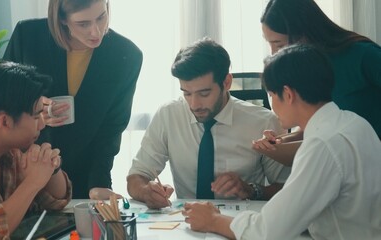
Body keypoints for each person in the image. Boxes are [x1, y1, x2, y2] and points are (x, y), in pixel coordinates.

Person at [183, 44, 381, 240]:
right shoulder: (354, 123)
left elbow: (267, 232)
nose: (271, 104)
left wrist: (214, 220)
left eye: (270, 95)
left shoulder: (321, 145)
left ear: (287, 94)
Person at [127, 38, 290, 209]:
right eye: (187, 93)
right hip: (187, 223)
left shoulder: (263, 122)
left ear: (226, 83)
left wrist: (250, 190)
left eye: (204, 93)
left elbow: (288, 189)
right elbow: (136, 176)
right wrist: (147, 191)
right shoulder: (168, 115)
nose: (194, 105)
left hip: (241, 224)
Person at [3, 0, 143, 199]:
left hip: (83, 179)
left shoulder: (127, 55)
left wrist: (99, 184)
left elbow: (111, 128)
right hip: (24, 169)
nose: (96, 32)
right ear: (62, 19)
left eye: (101, 17)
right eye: (83, 24)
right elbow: (0, 100)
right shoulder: (28, 36)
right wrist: (31, 107)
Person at [253, 0, 381, 166]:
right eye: (269, 44)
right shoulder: (306, 69)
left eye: (280, 44)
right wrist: (279, 141)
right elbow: (318, 124)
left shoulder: (363, 56)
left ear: (304, 33)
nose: (274, 52)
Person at [0, 62, 72, 239]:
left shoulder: (11, 149)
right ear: (5, 122)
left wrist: (51, 167)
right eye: (35, 116)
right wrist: (33, 182)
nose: (42, 124)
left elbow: (56, 202)